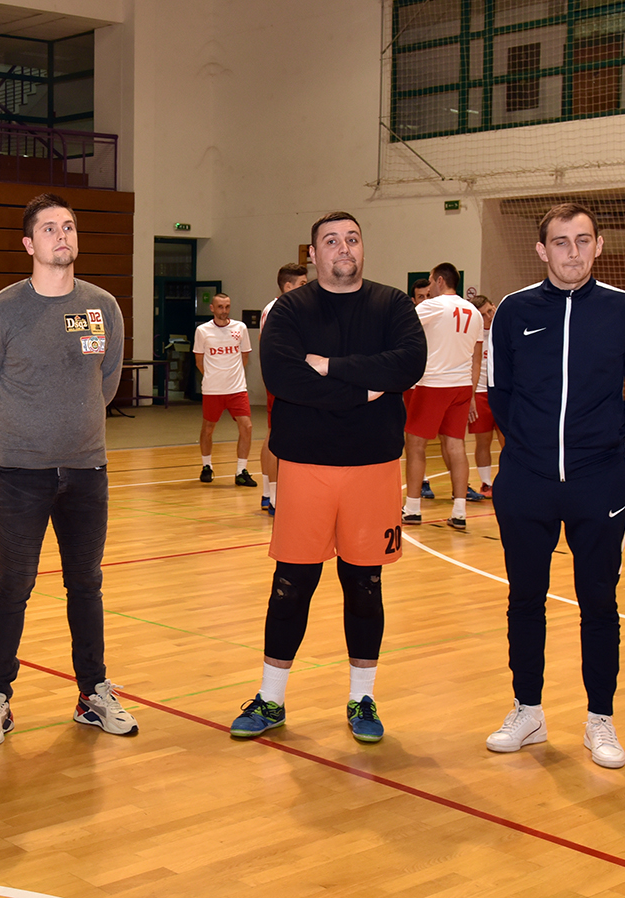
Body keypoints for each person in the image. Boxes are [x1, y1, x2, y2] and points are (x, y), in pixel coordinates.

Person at [230, 212, 425, 745]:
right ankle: (271, 699)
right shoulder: (290, 310)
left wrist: (331, 367)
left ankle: (363, 698)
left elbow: (408, 365)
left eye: (352, 239)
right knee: (291, 585)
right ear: (313, 254)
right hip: (305, 467)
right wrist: (366, 386)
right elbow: (284, 377)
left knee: (364, 585)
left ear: (363, 248)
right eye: (332, 241)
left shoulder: (393, 304)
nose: (344, 248)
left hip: (373, 468)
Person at [484, 202, 625, 769]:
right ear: (542, 250)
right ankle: (527, 710)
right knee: (525, 599)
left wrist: (599, 442)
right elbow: (500, 392)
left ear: (598, 246)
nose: (573, 252)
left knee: (599, 602)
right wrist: (532, 447)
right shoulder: (514, 310)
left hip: (598, 482)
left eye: (583, 240)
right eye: (561, 242)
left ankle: (600, 719)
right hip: (526, 482)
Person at [0, 193, 138, 747]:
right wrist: (34, 422)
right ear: (28, 243)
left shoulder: (101, 306)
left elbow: (107, 378)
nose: (61, 236)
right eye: (49, 229)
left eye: (68, 227)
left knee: (86, 583)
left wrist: (72, 423)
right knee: (14, 586)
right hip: (21, 473)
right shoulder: (2, 311)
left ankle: (92, 693)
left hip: (88, 469)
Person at [401, 262, 483, 531]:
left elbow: (400, 327)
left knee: (415, 445)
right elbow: (476, 359)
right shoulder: (474, 312)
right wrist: (471, 392)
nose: (428, 288)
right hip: (462, 386)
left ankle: (412, 508)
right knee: (456, 446)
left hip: (434, 384)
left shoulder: (433, 306)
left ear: (438, 281)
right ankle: (459, 512)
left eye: (429, 281)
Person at [257, 263, 309, 514]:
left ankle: (269, 493)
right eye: (302, 284)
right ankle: (275, 497)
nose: (306, 289)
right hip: (281, 380)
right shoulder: (278, 309)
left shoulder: (284, 308)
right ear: (288, 286)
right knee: (275, 434)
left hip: (286, 379)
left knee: (276, 433)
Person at [194, 292, 257, 487]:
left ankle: (241, 471)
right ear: (212, 308)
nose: (224, 310)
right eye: (220, 307)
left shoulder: (240, 328)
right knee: (208, 428)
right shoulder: (202, 331)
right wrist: (214, 377)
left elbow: (244, 357)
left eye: (227, 306)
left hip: (237, 389)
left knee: (246, 426)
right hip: (213, 390)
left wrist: (232, 376)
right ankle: (206, 466)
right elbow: (199, 361)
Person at [467, 294, 499, 498]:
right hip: (479, 393)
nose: (488, 317)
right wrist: (469, 396)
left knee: (509, 441)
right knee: (483, 441)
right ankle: (486, 484)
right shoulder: (472, 337)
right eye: (483, 315)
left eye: (490, 311)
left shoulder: (504, 330)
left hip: (503, 392)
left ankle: (509, 482)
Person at [409, 277, 434, 499]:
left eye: (429, 295)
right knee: (415, 439)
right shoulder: (409, 321)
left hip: (436, 384)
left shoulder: (441, 316)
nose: (425, 300)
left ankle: (461, 487)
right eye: (420, 297)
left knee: (448, 439)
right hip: (413, 385)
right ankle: (422, 481)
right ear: (413, 300)